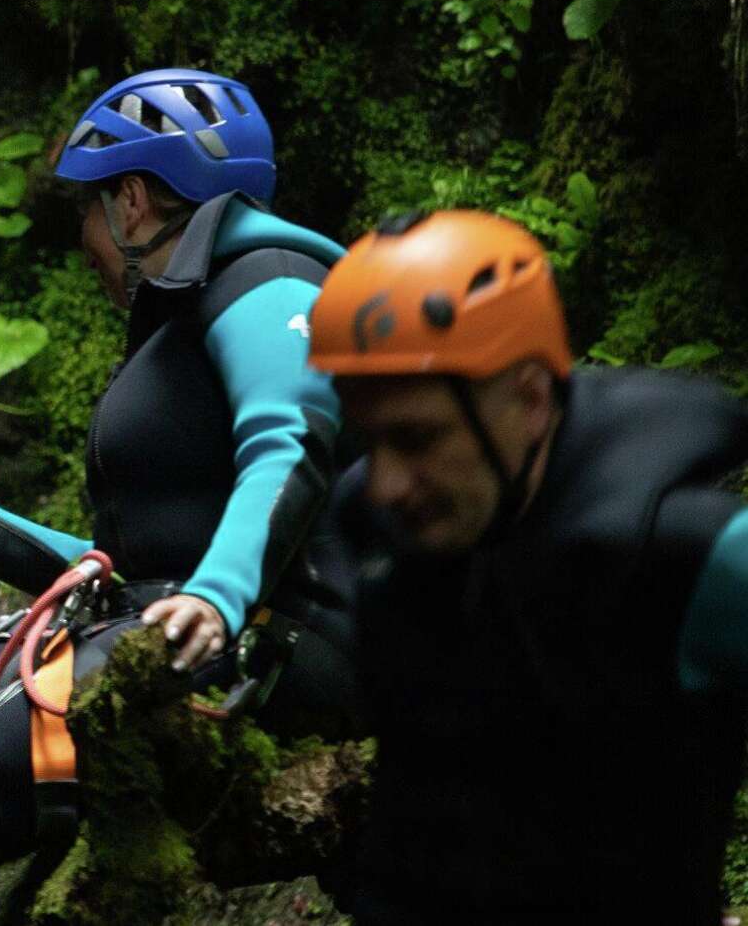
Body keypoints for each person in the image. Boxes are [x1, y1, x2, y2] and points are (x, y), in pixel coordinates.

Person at [0, 68, 358, 924]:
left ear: (131, 200)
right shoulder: (185, 316)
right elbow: (131, 572)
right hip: (167, 623)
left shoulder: (272, 278)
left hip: (268, 641)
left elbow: (289, 449)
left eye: (87, 212)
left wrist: (219, 592)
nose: (87, 241)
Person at [306, 209, 748, 923]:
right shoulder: (383, 544)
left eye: (416, 438)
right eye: (370, 440)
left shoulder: (678, 552)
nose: (385, 482)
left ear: (531, 397)